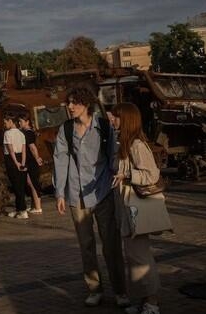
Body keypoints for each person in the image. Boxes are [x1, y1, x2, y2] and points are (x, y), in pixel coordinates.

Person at [53, 87, 128, 307]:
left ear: (86, 104)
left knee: (111, 245)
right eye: (68, 103)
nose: (70, 107)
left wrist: (122, 175)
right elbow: (61, 161)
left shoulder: (104, 127)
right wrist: (60, 193)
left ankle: (120, 291)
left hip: (103, 191)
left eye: (74, 102)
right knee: (86, 245)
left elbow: (113, 157)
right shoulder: (66, 130)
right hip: (77, 196)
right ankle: (94, 289)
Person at [110, 103, 170, 314]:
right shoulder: (124, 144)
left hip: (136, 208)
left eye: (116, 117)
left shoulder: (136, 145)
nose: (112, 119)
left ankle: (152, 302)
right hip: (127, 210)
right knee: (134, 257)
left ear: (126, 120)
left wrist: (127, 175)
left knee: (141, 257)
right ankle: (144, 300)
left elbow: (151, 175)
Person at [2, 115, 28, 219]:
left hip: (11, 159)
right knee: (20, 185)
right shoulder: (21, 133)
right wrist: (22, 162)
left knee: (17, 186)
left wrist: (16, 163)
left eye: (5, 122)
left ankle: (23, 210)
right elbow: (24, 150)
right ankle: (19, 209)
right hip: (21, 158)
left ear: (10, 121)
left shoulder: (7, 133)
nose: (4, 125)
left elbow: (10, 149)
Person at [18, 114, 44, 214]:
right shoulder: (26, 133)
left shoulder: (28, 133)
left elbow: (32, 147)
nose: (19, 123)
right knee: (30, 183)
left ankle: (38, 207)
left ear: (27, 122)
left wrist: (37, 158)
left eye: (21, 121)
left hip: (31, 161)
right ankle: (34, 206)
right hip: (29, 161)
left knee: (34, 183)